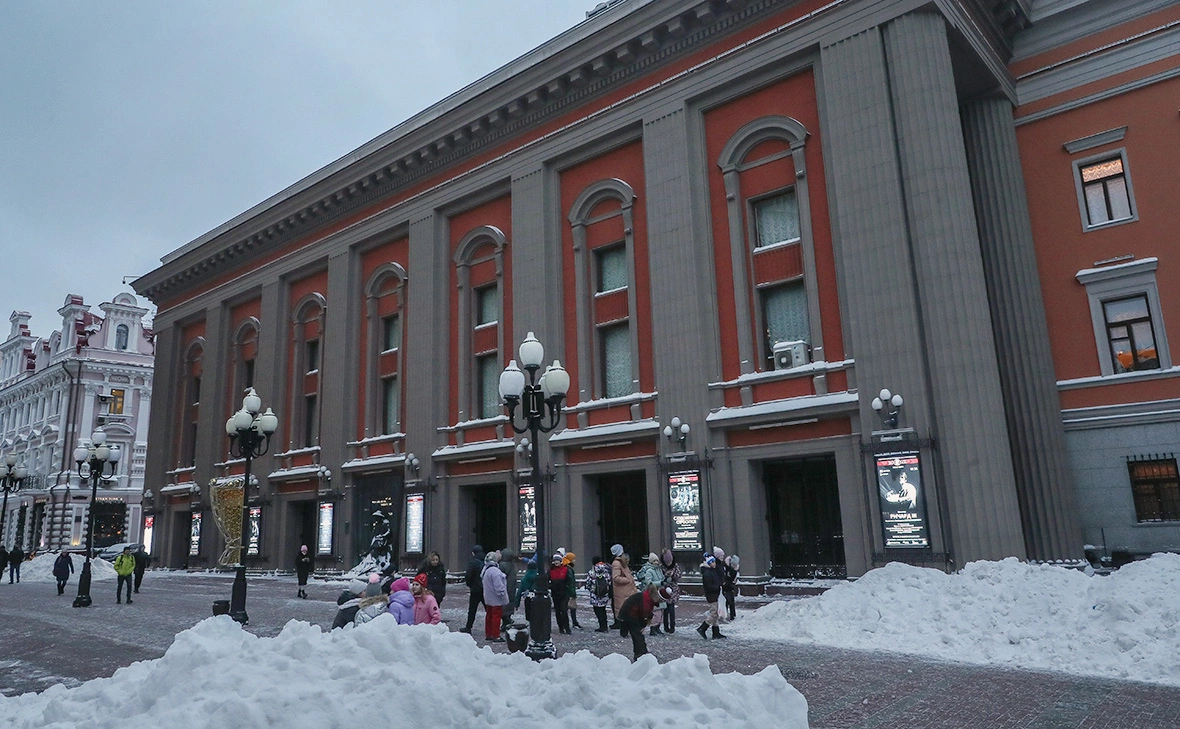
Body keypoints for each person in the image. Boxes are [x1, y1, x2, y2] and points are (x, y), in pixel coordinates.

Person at [618, 585, 673, 660]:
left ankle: (641, 652)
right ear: (659, 598)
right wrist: (643, 626)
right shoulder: (647, 599)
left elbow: (646, 613)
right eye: (662, 601)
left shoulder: (650, 596)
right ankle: (640, 654)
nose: (661, 603)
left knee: (638, 634)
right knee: (638, 635)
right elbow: (645, 614)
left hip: (632, 613)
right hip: (630, 614)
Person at [480, 550, 509, 642]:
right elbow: (498, 586)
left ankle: (489, 633)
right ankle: (496, 635)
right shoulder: (495, 571)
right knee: (496, 616)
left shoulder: (486, 570)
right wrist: (502, 593)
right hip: (496, 598)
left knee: (489, 615)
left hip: (488, 597)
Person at [635, 552, 666, 636]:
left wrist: (665, 581)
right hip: (653, 593)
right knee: (656, 612)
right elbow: (649, 582)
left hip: (660, 593)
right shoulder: (649, 570)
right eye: (654, 561)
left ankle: (657, 628)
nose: (656, 562)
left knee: (661, 612)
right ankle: (653, 628)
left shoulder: (658, 569)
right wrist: (660, 583)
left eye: (657, 560)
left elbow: (662, 578)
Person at [696, 554, 726, 639]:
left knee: (715, 614)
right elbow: (708, 586)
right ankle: (702, 628)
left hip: (715, 595)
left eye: (714, 561)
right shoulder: (707, 573)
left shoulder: (712, 571)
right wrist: (717, 587)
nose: (714, 563)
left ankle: (715, 632)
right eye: (712, 562)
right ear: (709, 563)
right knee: (714, 613)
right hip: (712, 595)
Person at [610, 544, 636, 629]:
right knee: (625, 610)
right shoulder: (617, 563)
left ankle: (626, 627)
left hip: (626, 591)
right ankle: (625, 628)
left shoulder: (621, 562)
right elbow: (616, 577)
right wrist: (628, 580)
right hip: (623, 591)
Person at [460, 544, 485, 634]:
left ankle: (468, 627)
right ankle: (499, 623)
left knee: (472, 609)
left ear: (473, 553)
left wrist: (470, 584)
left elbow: (468, 575)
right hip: (484, 588)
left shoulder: (473, 562)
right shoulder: (485, 561)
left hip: (475, 589)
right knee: (489, 609)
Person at [583, 555, 612, 632]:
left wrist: (592, 590)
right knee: (603, 610)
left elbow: (588, 583)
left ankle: (602, 626)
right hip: (604, 594)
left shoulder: (592, 572)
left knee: (597, 611)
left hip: (595, 594)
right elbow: (609, 581)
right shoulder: (606, 570)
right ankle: (605, 625)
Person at [548, 553, 572, 634]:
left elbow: (569, 580)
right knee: (558, 612)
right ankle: (561, 627)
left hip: (564, 593)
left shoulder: (565, 569)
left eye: (558, 560)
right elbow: (546, 579)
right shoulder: (551, 570)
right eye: (555, 560)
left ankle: (567, 627)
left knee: (564, 610)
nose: (556, 562)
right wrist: (550, 586)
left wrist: (568, 589)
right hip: (555, 593)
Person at [659, 549, 681, 633]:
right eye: (667, 562)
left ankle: (672, 626)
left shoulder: (675, 566)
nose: (669, 563)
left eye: (670, 561)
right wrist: (665, 578)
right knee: (665, 609)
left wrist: (673, 576)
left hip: (673, 589)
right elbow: (660, 577)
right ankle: (665, 626)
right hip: (664, 589)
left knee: (671, 608)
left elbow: (679, 575)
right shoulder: (661, 567)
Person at [497, 548, 518, 629]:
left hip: (505, 587)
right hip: (511, 588)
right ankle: (507, 620)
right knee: (509, 604)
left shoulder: (502, 565)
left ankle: (506, 621)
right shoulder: (512, 564)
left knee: (503, 606)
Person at [562, 552, 582, 629]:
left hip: (566, 591)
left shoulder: (566, 568)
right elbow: (570, 582)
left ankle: (569, 622)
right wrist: (573, 593)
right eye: (573, 559)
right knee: (572, 608)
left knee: (567, 608)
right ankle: (574, 622)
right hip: (569, 592)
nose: (575, 561)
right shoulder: (569, 570)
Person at [515, 556, 537, 621]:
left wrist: (517, 604)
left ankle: (531, 626)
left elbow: (519, 592)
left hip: (528, 597)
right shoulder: (538, 575)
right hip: (537, 597)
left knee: (529, 614)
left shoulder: (525, 577)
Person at [723, 555, 740, 622]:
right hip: (726, 586)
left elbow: (732, 579)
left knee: (730, 601)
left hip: (729, 587)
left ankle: (732, 615)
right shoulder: (726, 568)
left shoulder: (734, 571)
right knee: (727, 601)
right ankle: (725, 615)